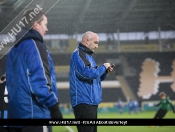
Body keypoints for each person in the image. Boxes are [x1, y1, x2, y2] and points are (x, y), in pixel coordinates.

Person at [6, 9, 62, 132]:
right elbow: (39, 80)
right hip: (36, 116)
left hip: (16, 118)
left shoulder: (13, 50)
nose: (46, 29)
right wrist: (54, 106)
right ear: (36, 24)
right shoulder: (35, 46)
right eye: (45, 24)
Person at [69, 31, 114, 132]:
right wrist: (103, 67)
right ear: (87, 41)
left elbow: (95, 78)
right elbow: (86, 74)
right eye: (95, 42)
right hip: (84, 102)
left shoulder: (88, 57)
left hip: (91, 102)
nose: (97, 46)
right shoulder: (78, 54)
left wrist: (105, 71)